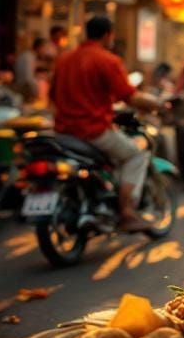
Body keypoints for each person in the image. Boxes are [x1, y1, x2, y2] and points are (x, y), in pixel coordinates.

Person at [51, 16, 164, 232]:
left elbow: (53, 95)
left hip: (64, 131)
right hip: (93, 131)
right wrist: (156, 105)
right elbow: (129, 96)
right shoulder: (107, 60)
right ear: (107, 35)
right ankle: (128, 213)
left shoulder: (65, 59)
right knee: (136, 155)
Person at [12, 37, 46, 103]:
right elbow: (28, 79)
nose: (44, 51)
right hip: (24, 91)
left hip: (24, 90)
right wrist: (37, 93)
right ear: (39, 47)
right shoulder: (29, 57)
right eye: (44, 48)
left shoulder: (29, 56)